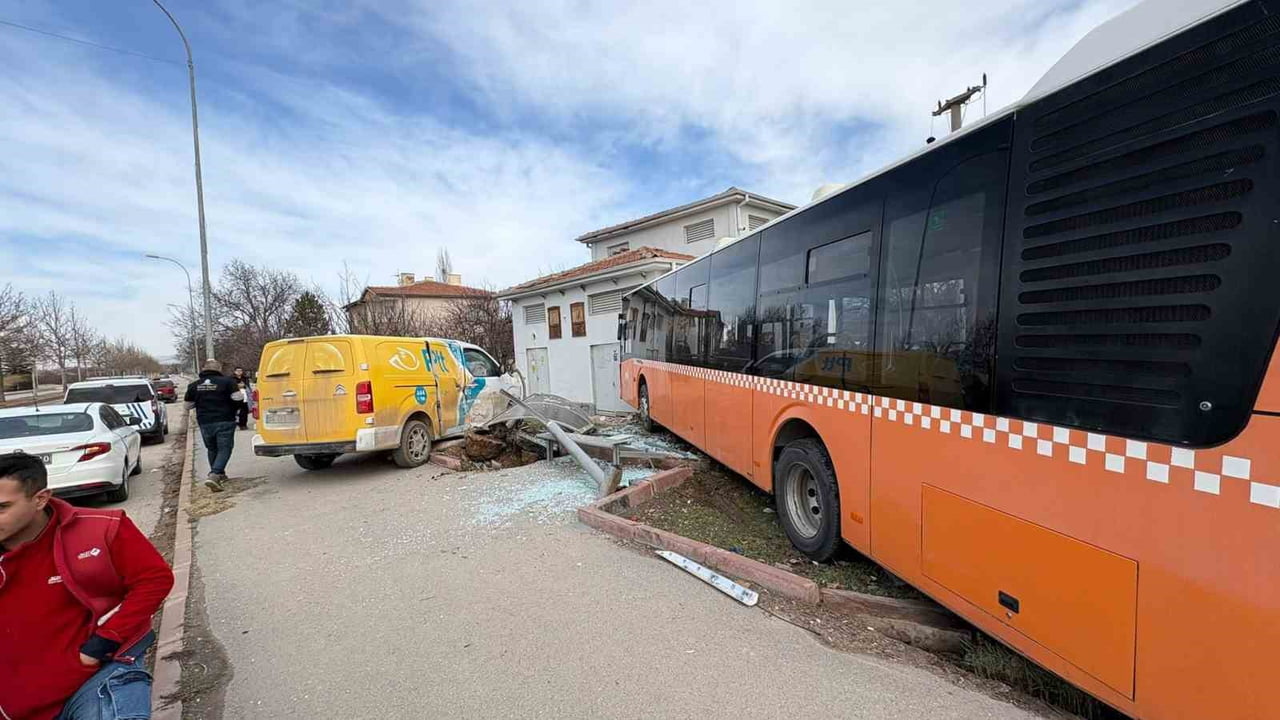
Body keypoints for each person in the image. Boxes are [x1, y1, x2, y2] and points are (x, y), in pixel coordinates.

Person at [0, 452, 175, 720]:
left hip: (91, 677)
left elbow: (154, 578)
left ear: (40, 499)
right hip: (16, 698)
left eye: (2, 507)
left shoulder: (100, 529)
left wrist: (103, 642)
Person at [184, 359, 243, 492]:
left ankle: (220, 475)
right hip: (225, 419)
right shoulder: (228, 382)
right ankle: (215, 474)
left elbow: (188, 406)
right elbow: (238, 399)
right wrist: (234, 409)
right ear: (219, 369)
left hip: (205, 421)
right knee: (224, 448)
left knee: (212, 449)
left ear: (204, 369)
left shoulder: (194, 385)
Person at [232, 366, 252, 431]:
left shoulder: (245, 378)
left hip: (244, 395)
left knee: (244, 411)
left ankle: (243, 425)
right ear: (235, 372)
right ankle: (236, 423)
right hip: (236, 396)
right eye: (238, 371)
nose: (239, 372)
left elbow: (247, 386)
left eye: (240, 371)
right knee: (236, 411)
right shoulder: (232, 378)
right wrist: (237, 386)